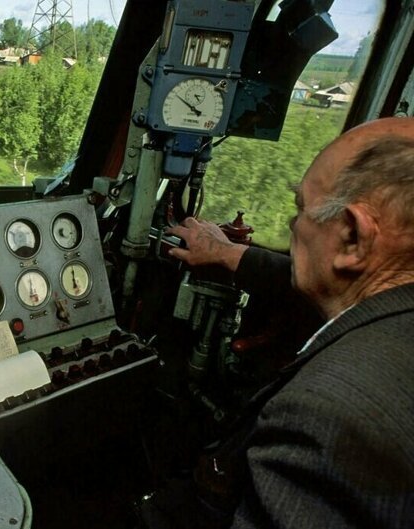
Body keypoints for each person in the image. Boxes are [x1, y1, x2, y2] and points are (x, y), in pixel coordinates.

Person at [165, 117, 414, 528]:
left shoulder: (326, 416)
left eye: (301, 208)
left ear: (352, 237)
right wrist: (229, 255)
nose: (292, 225)